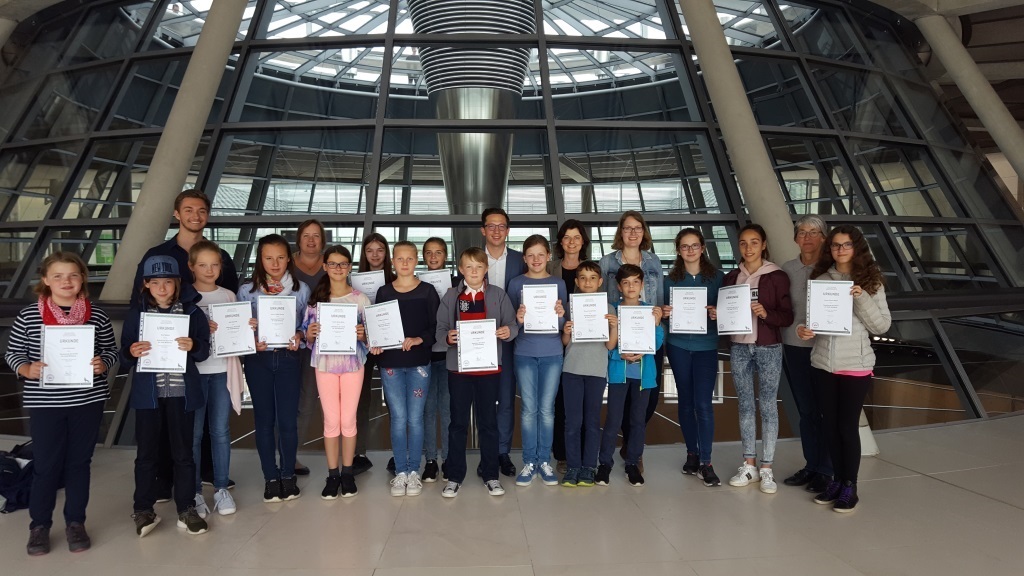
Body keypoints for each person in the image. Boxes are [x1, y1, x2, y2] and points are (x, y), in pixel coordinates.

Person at [6, 253, 118, 555]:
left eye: (72, 275)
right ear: (45, 280)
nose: (66, 282)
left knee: (79, 464)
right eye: (58, 276)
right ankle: (39, 526)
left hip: (87, 400)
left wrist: (102, 364)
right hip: (46, 403)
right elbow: (13, 353)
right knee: (46, 465)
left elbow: (111, 351)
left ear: (82, 278)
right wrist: (25, 369)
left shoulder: (97, 315)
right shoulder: (29, 315)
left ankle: (75, 523)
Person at [131, 189, 237, 498]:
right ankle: (166, 480)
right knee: (169, 418)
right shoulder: (157, 255)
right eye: (189, 210)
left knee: (204, 423)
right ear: (177, 214)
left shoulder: (222, 256)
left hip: (205, 354)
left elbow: (229, 301)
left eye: (201, 210)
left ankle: (207, 473)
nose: (195, 215)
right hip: (165, 352)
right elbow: (139, 301)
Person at [800, 225, 891, 513]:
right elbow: (814, 321)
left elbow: (882, 326)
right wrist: (806, 330)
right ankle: (837, 481)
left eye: (846, 245)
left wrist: (860, 296)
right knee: (829, 425)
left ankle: (850, 486)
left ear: (857, 247)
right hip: (823, 363)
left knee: (846, 427)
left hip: (855, 365)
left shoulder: (871, 281)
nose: (840, 250)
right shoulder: (821, 279)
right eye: (836, 245)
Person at [122, 255, 211, 537]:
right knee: (146, 454)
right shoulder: (136, 315)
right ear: (146, 284)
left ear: (177, 283)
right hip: (149, 395)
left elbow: (203, 352)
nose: (162, 288)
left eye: (168, 282)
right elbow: (125, 356)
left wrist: (193, 344)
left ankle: (186, 508)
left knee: (183, 454)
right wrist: (131, 352)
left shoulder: (193, 314)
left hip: (181, 393)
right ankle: (143, 509)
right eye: (155, 282)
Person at [435, 247, 518, 498]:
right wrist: (448, 337)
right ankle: (454, 476)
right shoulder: (451, 296)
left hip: (488, 370)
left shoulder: (498, 295)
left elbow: (512, 325)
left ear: (486, 269)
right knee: (457, 423)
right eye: (468, 267)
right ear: (460, 270)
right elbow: (439, 330)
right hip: (459, 370)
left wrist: (507, 332)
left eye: (478, 267)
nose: (473, 271)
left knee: (488, 424)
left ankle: (491, 475)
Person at [237, 234, 311, 503]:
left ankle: (288, 475)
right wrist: (250, 333)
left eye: (280, 257)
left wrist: (301, 336)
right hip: (259, 362)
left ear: (289, 258)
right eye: (269, 257)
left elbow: (307, 325)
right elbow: (237, 328)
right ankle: (270, 477)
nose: (275, 263)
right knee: (264, 422)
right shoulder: (247, 291)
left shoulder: (301, 289)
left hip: (290, 360)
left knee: (288, 422)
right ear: (261, 259)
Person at [720, 224, 793, 494]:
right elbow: (726, 312)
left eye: (754, 242)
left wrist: (766, 314)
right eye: (743, 243)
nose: (748, 248)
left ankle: (767, 468)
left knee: (769, 407)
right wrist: (719, 315)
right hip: (739, 347)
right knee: (745, 406)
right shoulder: (730, 278)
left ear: (763, 245)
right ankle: (748, 463)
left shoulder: (777, 277)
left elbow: (787, 316)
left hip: (768, 347)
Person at [302, 246, 370, 499]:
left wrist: (364, 334)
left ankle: (348, 472)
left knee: (348, 420)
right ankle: (333, 475)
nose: (338, 268)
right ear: (325, 266)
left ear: (350, 267)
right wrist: (310, 333)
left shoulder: (360, 299)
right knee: (331, 421)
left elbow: (370, 338)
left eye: (343, 264)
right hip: (325, 366)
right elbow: (307, 336)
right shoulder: (315, 301)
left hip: (353, 365)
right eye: (333, 264)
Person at [598, 210, 664, 471]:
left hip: (647, 338)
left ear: (644, 232)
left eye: (638, 228)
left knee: (644, 405)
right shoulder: (607, 261)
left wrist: (655, 325)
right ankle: (611, 458)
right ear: (620, 232)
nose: (633, 232)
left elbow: (657, 300)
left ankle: (632, 450)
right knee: (616, 408)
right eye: (628, 228)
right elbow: (603, 302)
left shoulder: (654, 261)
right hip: (617, 342)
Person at [373, 241, 440, 496]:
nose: (404, 263)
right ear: (393, 261)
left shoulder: (427, 291)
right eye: (399, 258)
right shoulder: (384, 292)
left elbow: (436, 327)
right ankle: (400, 471)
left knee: (415, 418)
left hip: (419, 364)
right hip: (390, 363)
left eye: (409, 258)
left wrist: (419, 339)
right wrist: (376, 344)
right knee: (399, 419)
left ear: (416, 261)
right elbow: (377, 326)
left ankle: (414, 471)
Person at [661, 228, 724, 487]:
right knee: (685, 403)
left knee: (703, 404)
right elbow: (660, 315)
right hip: (677, 347)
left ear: (702, 248)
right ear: (678, 250)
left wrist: (717, 313)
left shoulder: (718, 278)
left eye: (694, 245)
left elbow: (729, 313)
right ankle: (692, 454)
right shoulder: (669, 280)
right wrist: (664, 312)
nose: (690, 250)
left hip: (706, 347)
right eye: (684, 246)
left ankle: (706, 462)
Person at [188, 241, 246, 518]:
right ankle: (196, 491)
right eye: (203, 265)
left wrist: (248, 329)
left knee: (220, 431)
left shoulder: (228, 296)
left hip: (222, 371)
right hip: (194, 375)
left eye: (214, 264)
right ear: (192, 267)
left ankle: (221, 487)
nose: (209, 270)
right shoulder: (185, 298)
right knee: (194, 434)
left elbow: (239, 333)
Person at [508, 235, 567, 487]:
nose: (535, 259)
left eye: (540, 254)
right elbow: (509, 325)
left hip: (553, 351)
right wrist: (518, 319)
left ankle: (544, 460)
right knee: (529, 409)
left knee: (547, 410)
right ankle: (529, 461)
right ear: (524, 258)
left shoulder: (559, 284)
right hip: (524, 352)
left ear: (548, 257)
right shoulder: (515, 283)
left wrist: (562, 316)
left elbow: (565, 325)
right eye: (530, 255)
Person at [781, 215, 833, 494]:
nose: (808, 237)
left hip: (825, 349)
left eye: (814, 232)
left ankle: (827, 469)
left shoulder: (833, 270)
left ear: (824, 237)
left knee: (826, 410)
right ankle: (811, 465)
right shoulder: (787, 269)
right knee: (807, 411)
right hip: (794, 346)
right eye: (802, 232)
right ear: (795, 238)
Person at [558, 261, 617, 487]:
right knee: (572, 422)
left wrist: (615, 326)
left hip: (596, 372)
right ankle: (573, 466)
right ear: (576, 281)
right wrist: (566, 331)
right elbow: (565, 343)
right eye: (582, 277)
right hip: (571, 370)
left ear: (600, 281)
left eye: (593, 278)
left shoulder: (609, 309)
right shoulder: (569, 307)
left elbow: (610, 346)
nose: (588, 282)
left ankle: (588, 467)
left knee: (592, 422)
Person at [481, 208, 526, 477]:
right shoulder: (473, 259)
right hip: (480, 341)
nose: (497, 230)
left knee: (507, 399)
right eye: (491, 226)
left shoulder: (521, 261)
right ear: (483, 230)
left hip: (510, 338)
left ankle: (502, 452)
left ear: (508, 230)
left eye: (502, 226)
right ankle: (486, 453)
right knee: (484, 399)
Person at [548, 220, 589, 473]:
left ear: (583, 241)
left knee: (581, 402)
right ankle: (562, 453)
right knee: (558, 401)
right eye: (566, 237)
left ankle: (583, 452)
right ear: (560, 241)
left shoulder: (591, 269)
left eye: (576, 237)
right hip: (554, 341)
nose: (571, 242)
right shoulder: (550, 268)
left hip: (584, 346)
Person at [354, 232, 396, 474]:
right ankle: (359, 453)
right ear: (364, 253)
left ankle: (396, 454)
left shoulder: (395, 279)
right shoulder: (353, 281)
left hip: (387, 345)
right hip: (361, 345)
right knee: (361, 400)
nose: (375, 254)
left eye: (380, 249)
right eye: (370, 250)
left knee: (393, 400)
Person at [292, 219, 327, 477]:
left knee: (306, 401)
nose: (311, 240)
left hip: (321, 344)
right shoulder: (286, 264)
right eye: (307, 236)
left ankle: (291, 456)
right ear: (299, 239)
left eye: (316, 236)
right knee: (285, 400)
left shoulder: (331, 265)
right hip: (288, 343)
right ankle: (280, 455)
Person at [421, 237, 452, 482]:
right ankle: (431, 460)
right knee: (428, 410)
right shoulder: (416, 284)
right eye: (429, 253)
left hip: (449, 355)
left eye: (438, 252)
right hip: (425, 356)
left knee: (448, 409)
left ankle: (449, 459)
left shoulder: (456, 285)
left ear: (446, 256)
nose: (433, 257)